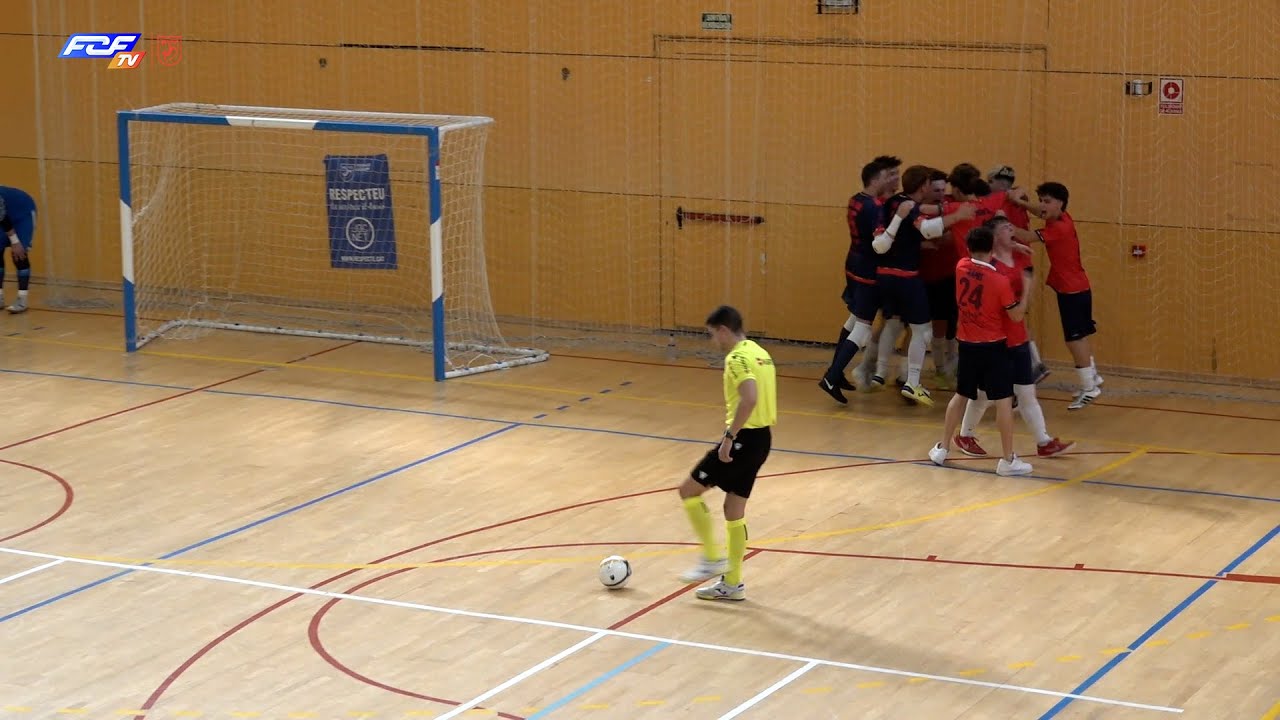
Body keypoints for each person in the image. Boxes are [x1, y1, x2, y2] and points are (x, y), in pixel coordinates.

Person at [953, 216, 1075, 459]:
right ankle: (965, 435)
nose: (1013, 229)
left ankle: (1043, 441)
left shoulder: (1021, 257)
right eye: (1006, 228)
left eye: (1012, 226)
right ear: (994, 237)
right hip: (997, 340)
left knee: (1027, 392)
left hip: (1018, 337)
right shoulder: (990, 267)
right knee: (984, 394)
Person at [679, 305, 777, 602]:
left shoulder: (736, 358)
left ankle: (711, 558)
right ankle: (732, 583)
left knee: (688, 490)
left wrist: (729, 437)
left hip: (742, 440)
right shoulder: (760, 353)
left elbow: (749, 398)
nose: (714, 342)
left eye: (713, 335)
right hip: (762, 440)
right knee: (733, 511)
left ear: (723, 330)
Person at [928, 222, 1033, 476]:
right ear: (992, 248)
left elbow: (980, 262)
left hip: (967, 344)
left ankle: (942, 448)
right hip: (993, 347)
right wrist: (1027, 288)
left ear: (969, 247)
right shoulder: (1000, 281)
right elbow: (1017, 316)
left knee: (961, 395)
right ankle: (1007, 461)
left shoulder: (961, 266)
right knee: (1004, 402)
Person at [872, 165, 975, 406]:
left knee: (896, 324)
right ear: (923, 186)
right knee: (922, 331)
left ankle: (884, 373)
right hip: (906, 278)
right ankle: (911, 382)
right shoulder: (907, 207)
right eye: (930, 184)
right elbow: (927, 230)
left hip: (885, 277)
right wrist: (958, 216)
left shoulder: (891, 202)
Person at [1009, 182, 1103, 409]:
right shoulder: (1062, 217)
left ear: (1060, 203)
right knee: (1078, 336)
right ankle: (1092, 378)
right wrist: (1020, 203)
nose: (1041, 205)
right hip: (1074, 287)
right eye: (1041, 200)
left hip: (1073, 289)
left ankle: (1090, 387)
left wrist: (1001, 222)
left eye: (1047, 201)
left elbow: (1026, 236)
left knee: (1074, 339)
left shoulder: (1057, 229)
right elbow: (1037, 210)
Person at [820, 157, 897, 404]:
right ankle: (831, 377)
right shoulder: (874, 208)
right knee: (863, 325)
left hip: (853, 262)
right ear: (875, 180)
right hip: (868, 270)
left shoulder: (857, 199)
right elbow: (881, 244)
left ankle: (836, 371)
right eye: (890, 176)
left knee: (853, 319)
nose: (895, 179)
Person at [0, 186, 37, 314]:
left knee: (19, 254)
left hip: (22, 212)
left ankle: (22, 299)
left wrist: (15, 242)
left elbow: (3, 217)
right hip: (3, 215)